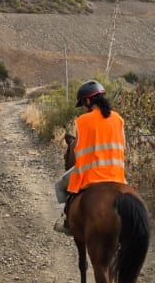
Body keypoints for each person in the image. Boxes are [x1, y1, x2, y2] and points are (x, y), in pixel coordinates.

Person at [54, 79, 126, 234]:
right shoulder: (118, 119)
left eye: (82, 104)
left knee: (59, 185)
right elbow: (122, 146)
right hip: (117, 174)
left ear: (87, 101)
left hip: (91, 174)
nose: (83, 108)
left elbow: (78, 150)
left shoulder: (82, 121)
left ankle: (66, 221)